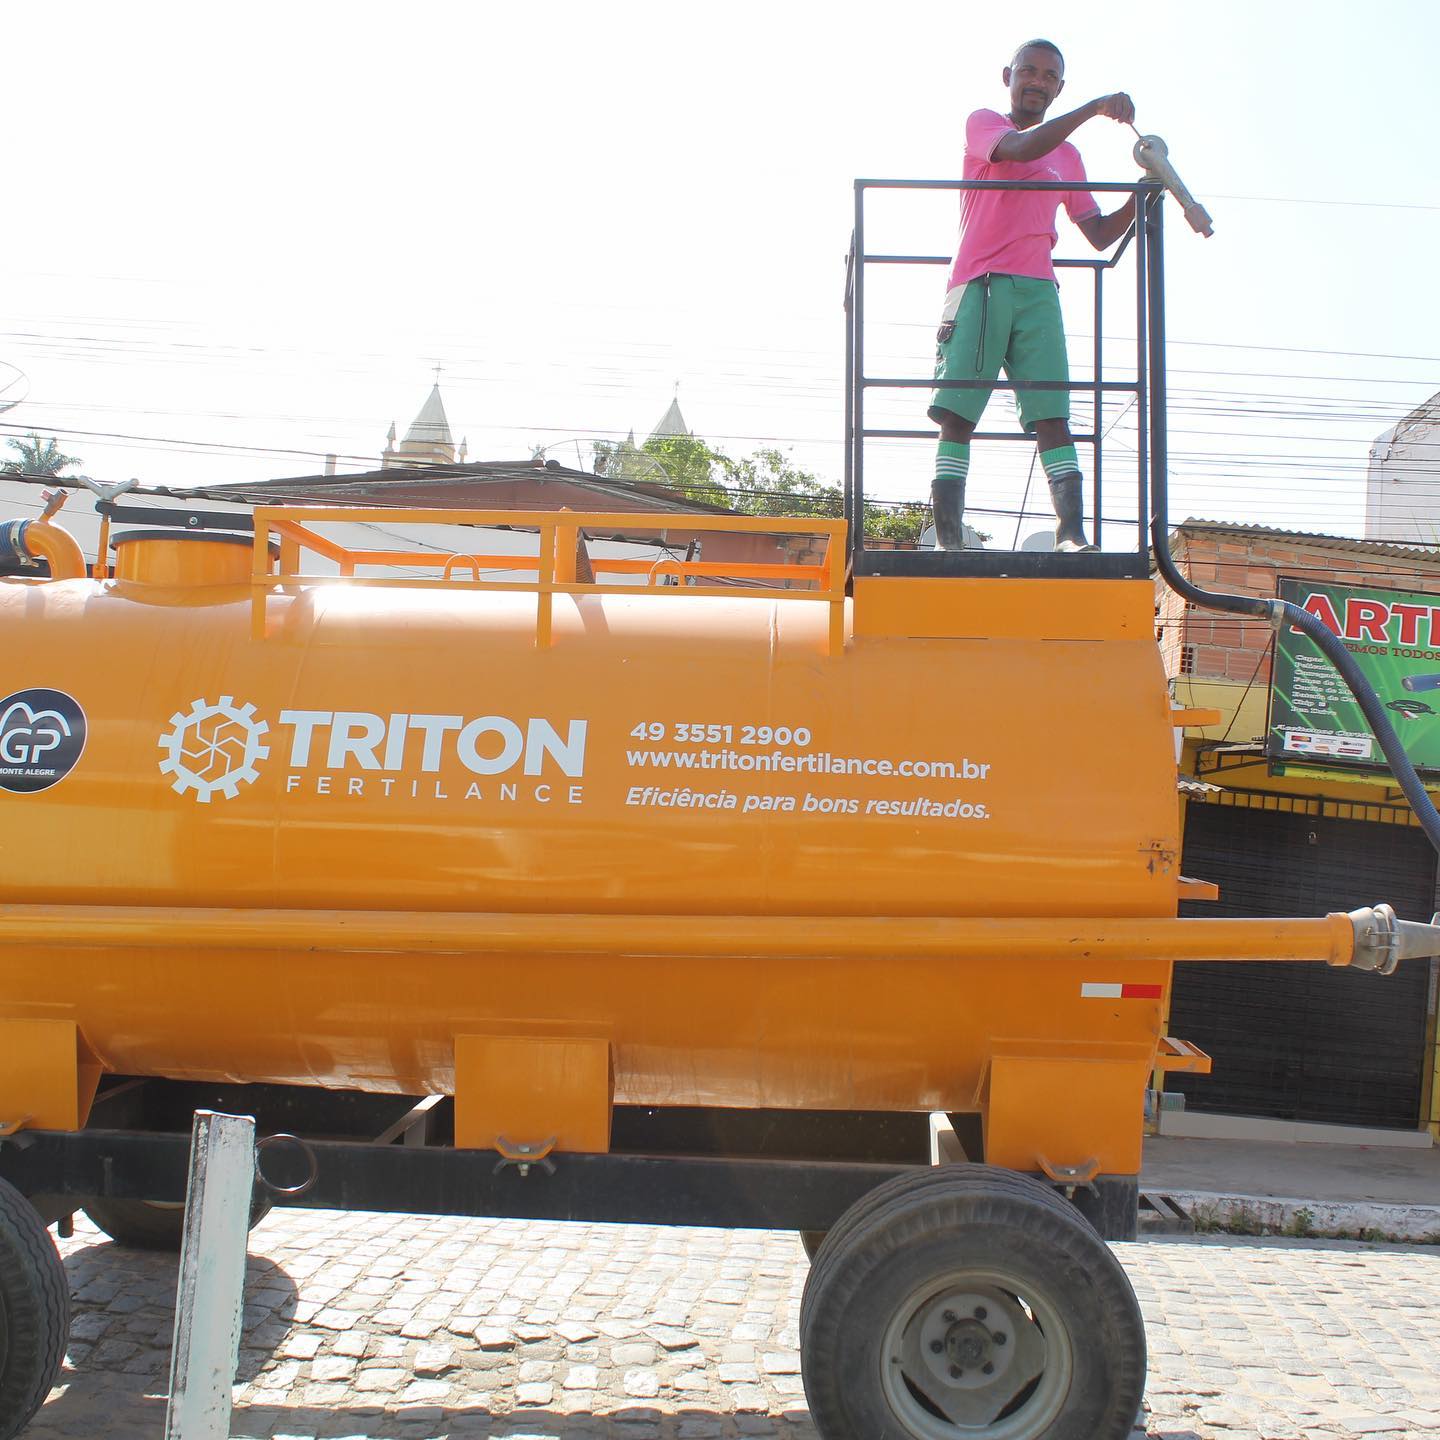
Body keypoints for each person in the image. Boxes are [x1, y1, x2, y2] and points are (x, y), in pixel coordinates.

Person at [929, 40, 1136, 552]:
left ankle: (1071, 533)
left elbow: (1098, 232)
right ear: (1009, 76)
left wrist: (1145, 191)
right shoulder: (984, 124)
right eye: (1029, 71)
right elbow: (1021, 149)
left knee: (1052, 412)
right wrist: (1093, 109)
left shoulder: (1069, 156)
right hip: (979, 282)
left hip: (1039, 290)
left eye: (1049, 76)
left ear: (1059, 87)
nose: (1038, 82)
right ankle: (949, 536)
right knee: (958, 411)